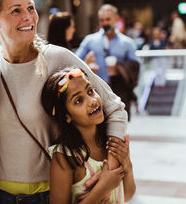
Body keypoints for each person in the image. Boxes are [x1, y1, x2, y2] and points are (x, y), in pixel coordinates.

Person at [0, 0, 127, 203]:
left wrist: (108, 171)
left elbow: (115, 108)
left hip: (48, 195)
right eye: (16, 10)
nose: (28, 17)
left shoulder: (56, 58)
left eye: (30, 8)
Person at [41, 67, 136, 204]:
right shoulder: (65, 157)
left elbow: (126, 195)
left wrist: (127, 165)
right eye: (79, 100)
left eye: (90, 91)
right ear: (67, 116)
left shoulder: (111, 143)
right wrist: (102, 188)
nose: (92, 101)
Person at [76, 4, 140, 120]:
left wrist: (120, 68)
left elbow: (135, 67)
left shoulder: (127, 43)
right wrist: (87, 64)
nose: (105, 23)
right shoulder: (90, 41)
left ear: (116, 19)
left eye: (108, 19)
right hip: (96, 92)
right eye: (102, 20)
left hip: (119, 93)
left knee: (118, 128)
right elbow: (75, 62)